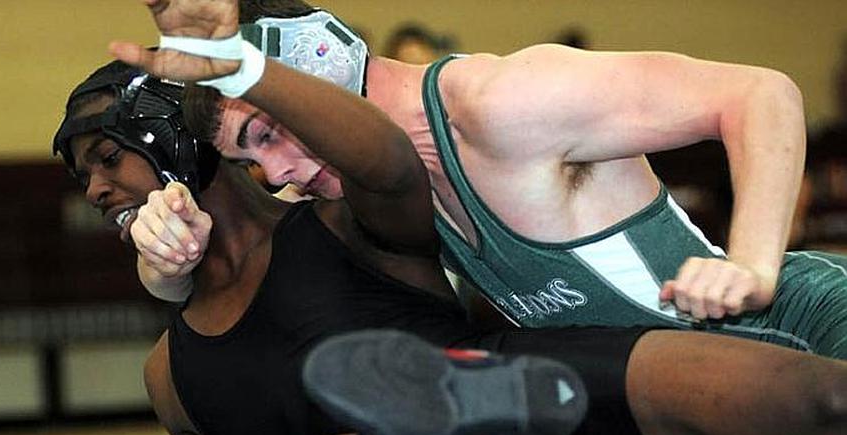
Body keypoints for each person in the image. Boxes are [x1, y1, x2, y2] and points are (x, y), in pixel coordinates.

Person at [0, 33, 847, 435]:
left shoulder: (339, 216)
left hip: (576, 420)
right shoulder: (173, 373)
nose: (97, 189)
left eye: (107, 159)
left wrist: (243, 64)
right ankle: (438, 432)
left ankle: (455, 414)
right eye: (82, 177)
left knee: (823, 404)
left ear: (171, 144)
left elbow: (381, 155)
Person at [118, 0, 847, 360]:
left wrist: (753, 265)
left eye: (270, 133)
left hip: (797, 328)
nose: (278, 176)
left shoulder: (500, 105)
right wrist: (167, 264)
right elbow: (244, 280)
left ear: (319, 69)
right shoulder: (377, 193)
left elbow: (761, 94)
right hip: (709, 393)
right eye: (252, 163)